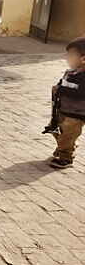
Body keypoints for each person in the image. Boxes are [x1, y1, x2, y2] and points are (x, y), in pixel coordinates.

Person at [46, 37, 85, 169]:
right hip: (63, 110)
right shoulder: (70, 73)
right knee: (55, 130)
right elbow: (62, 84)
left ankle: (65, 157)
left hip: (76, 114)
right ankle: (66, 146)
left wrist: (62, 90)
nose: (67, 58)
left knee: (67, 134)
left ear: (83, 59)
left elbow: (80, 93)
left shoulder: (83, 77)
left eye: (71, 55)